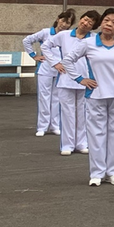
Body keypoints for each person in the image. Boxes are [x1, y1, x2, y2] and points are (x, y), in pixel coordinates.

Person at [62, 8, 114, 186]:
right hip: (96, 95)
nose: (109, 24)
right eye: (106, 20)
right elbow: (68, 60)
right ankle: (97, 173)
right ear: (101, 23)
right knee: (96, 134)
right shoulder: (88, 43)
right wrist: (80, 79)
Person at [41, 10, 101, 156]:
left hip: (86, 81)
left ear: (93, 27)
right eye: (85, 19)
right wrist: (55, 63)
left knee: (83, 114)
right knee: (67, 114)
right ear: (80, 19)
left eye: (90, 23)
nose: (85, 23)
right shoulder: (64, 35)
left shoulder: (94, 38)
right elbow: (45, 46)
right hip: (66, 80)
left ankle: (81, 143)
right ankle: (67, 145)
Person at [23, 9, 75, 137]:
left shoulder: (68, 35)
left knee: (57, 98)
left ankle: (55, 125)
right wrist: (34, 55)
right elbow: (27, 40)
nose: (64, 24)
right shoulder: (46, 32)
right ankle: (42, 126)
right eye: (63, 21)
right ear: (58, 19)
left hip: (61, 70)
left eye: (68, 23)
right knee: (44, 98)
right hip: (45, 69)